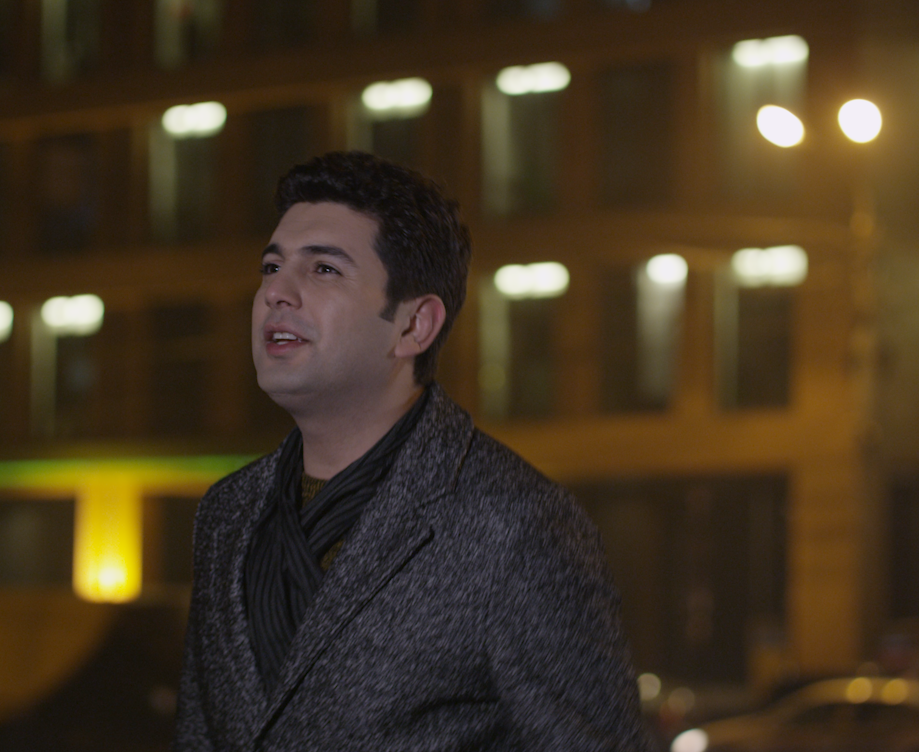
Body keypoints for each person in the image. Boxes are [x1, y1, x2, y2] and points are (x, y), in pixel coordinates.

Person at [173, 151, 651, 751]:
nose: (276, 292)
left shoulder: (515, 524)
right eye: (272, 266)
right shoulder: (227, 512)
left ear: (414, 325)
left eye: (323, 269)